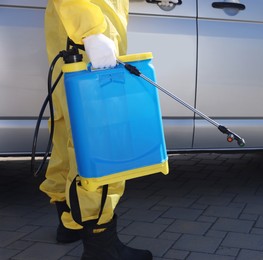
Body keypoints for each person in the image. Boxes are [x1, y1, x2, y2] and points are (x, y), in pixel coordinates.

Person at [41, 0, 177, 259]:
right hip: (89, 36)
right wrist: (90, 31)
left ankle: (70, 222)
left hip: (76, 34)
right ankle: (101, 246)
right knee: (103, 142)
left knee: (69, 133)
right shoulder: (89, 29)